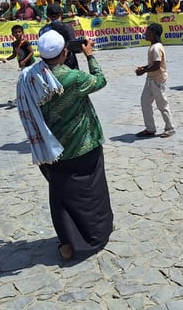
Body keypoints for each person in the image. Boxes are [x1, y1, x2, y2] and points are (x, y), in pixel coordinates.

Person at [16, 29, 112, 261]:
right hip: (82, 143)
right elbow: (100, 80)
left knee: (62, 197)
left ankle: (69, 243)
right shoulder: (73, 78)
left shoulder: (31, 77)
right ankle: (95, 236)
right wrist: (90, 55)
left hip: (53, 148)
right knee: (91, 192)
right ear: (65, 51)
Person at [134, 23, 175, 138]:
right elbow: (153, 64)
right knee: (145, 102)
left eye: (147, 31)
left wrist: (144, 71)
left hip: (157, 79)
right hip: (151, 79)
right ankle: (150, 128)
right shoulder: (154, 46)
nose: (145, 33)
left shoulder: (156, 47)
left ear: (153, 33)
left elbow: (157, 65)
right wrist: (145, 68)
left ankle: (170, 127)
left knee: (162, 104)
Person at [39, 4, 79, 70]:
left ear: (48, 15)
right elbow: (74, 46)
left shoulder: (42, 30)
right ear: (61, 13)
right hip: (67, 63)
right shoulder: (67, 27)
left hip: (48, 63)